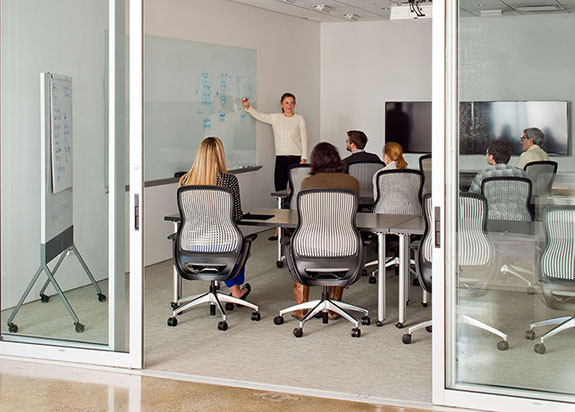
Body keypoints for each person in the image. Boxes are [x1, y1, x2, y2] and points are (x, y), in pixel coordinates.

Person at [289, 142, 360, 320]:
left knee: (294, 245)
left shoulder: (307, 183)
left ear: (315, 161)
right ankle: (335, 306)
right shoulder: (351, 182)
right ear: (337, 159)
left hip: (310, 246)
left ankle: (301, 306)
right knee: (338, 242)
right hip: (344, 246)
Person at [178, 137, 251, 301]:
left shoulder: (185, 181)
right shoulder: (229, 180)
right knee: (240, 245)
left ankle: (235, 291)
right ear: (220, 155)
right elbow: (236, 216)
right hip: (222, 244)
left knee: (225, 246)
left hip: (191, 244)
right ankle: (236, 291)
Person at [242, 93, 308, 240]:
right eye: (286, 102)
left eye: (292, 103)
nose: (289, 105)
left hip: (296, 159)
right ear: (281, 104)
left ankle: (292, 226)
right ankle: (279, 228)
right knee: (279, 193)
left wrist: (304, 158)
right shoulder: (275, 118)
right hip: (281, 159)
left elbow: (304, 139)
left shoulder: (299, 119)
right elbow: (259, 116)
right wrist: (248, 107)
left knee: (294, 193)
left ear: (295, 104)